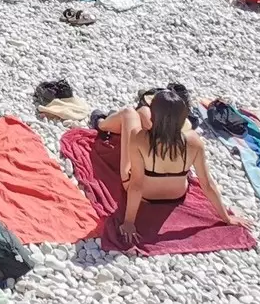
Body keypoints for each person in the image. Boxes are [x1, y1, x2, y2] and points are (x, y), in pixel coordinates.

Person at [96, 86, 245, 245]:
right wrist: (226, 217)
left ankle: (100, 123)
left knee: (129, 113)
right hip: (177, 194)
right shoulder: (194, 141)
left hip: (147, 194)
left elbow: (136, 185)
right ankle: (111, 120)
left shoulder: (139, 139)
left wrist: (129, 222)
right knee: (140, 116)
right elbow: (207, 184)